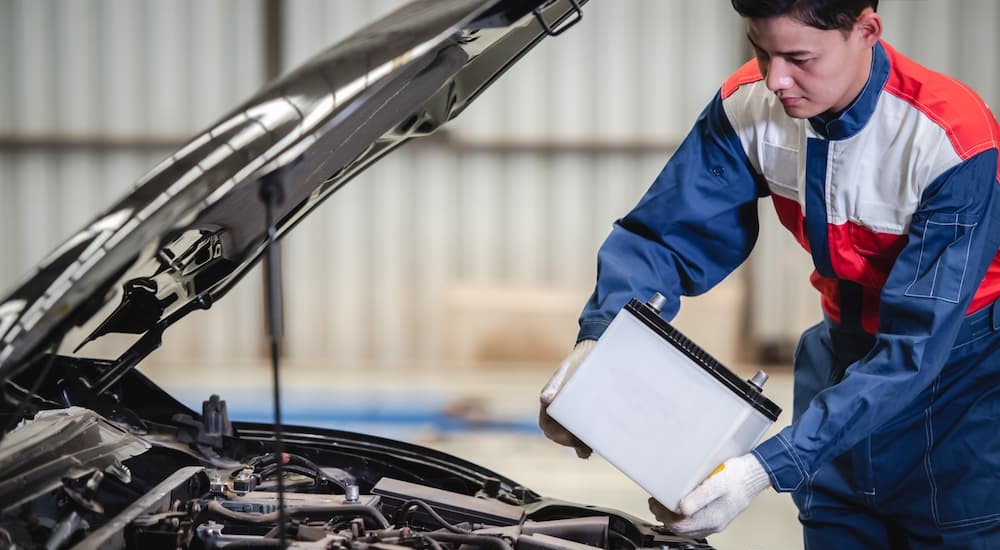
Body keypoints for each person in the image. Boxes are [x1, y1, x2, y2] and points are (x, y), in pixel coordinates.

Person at [539, 0, 1000, 547]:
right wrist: (600, 342)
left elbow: (915, 346)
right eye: (762, 51)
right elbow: (662, 237)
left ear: (867, 30)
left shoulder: (951, 139)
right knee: (836, 524)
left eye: (798, 57)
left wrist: (761, 469)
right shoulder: (749, 104)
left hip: (960, 382)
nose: (776, 79)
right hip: (841, 353)